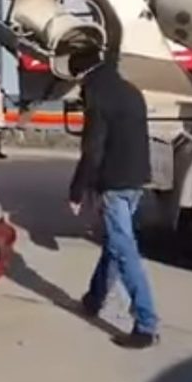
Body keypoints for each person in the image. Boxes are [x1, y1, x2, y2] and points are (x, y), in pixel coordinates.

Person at [68, 60, 159, 349]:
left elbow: (92, 149)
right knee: (115, 244)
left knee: (124, 251)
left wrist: (77, 191)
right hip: (136, 181)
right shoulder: (132, 91)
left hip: (115, 186)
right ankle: (94, 298)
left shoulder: (98, 96)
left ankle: (146, 325)